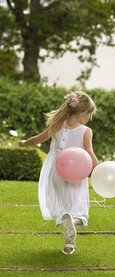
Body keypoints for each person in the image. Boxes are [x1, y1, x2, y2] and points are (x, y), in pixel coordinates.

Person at [20, 91, 98, 255]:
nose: (89, 118)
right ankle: (74, 223)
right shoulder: (85, 131)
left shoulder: (56, 124)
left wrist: (24, 142)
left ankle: (69, 244)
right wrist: (98, 168)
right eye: (89, 115)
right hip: (75, 174)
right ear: (83, 113)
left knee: (64, 209)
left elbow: (37, 139)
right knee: (79, 211)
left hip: (56, 172)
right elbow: (89, 153)